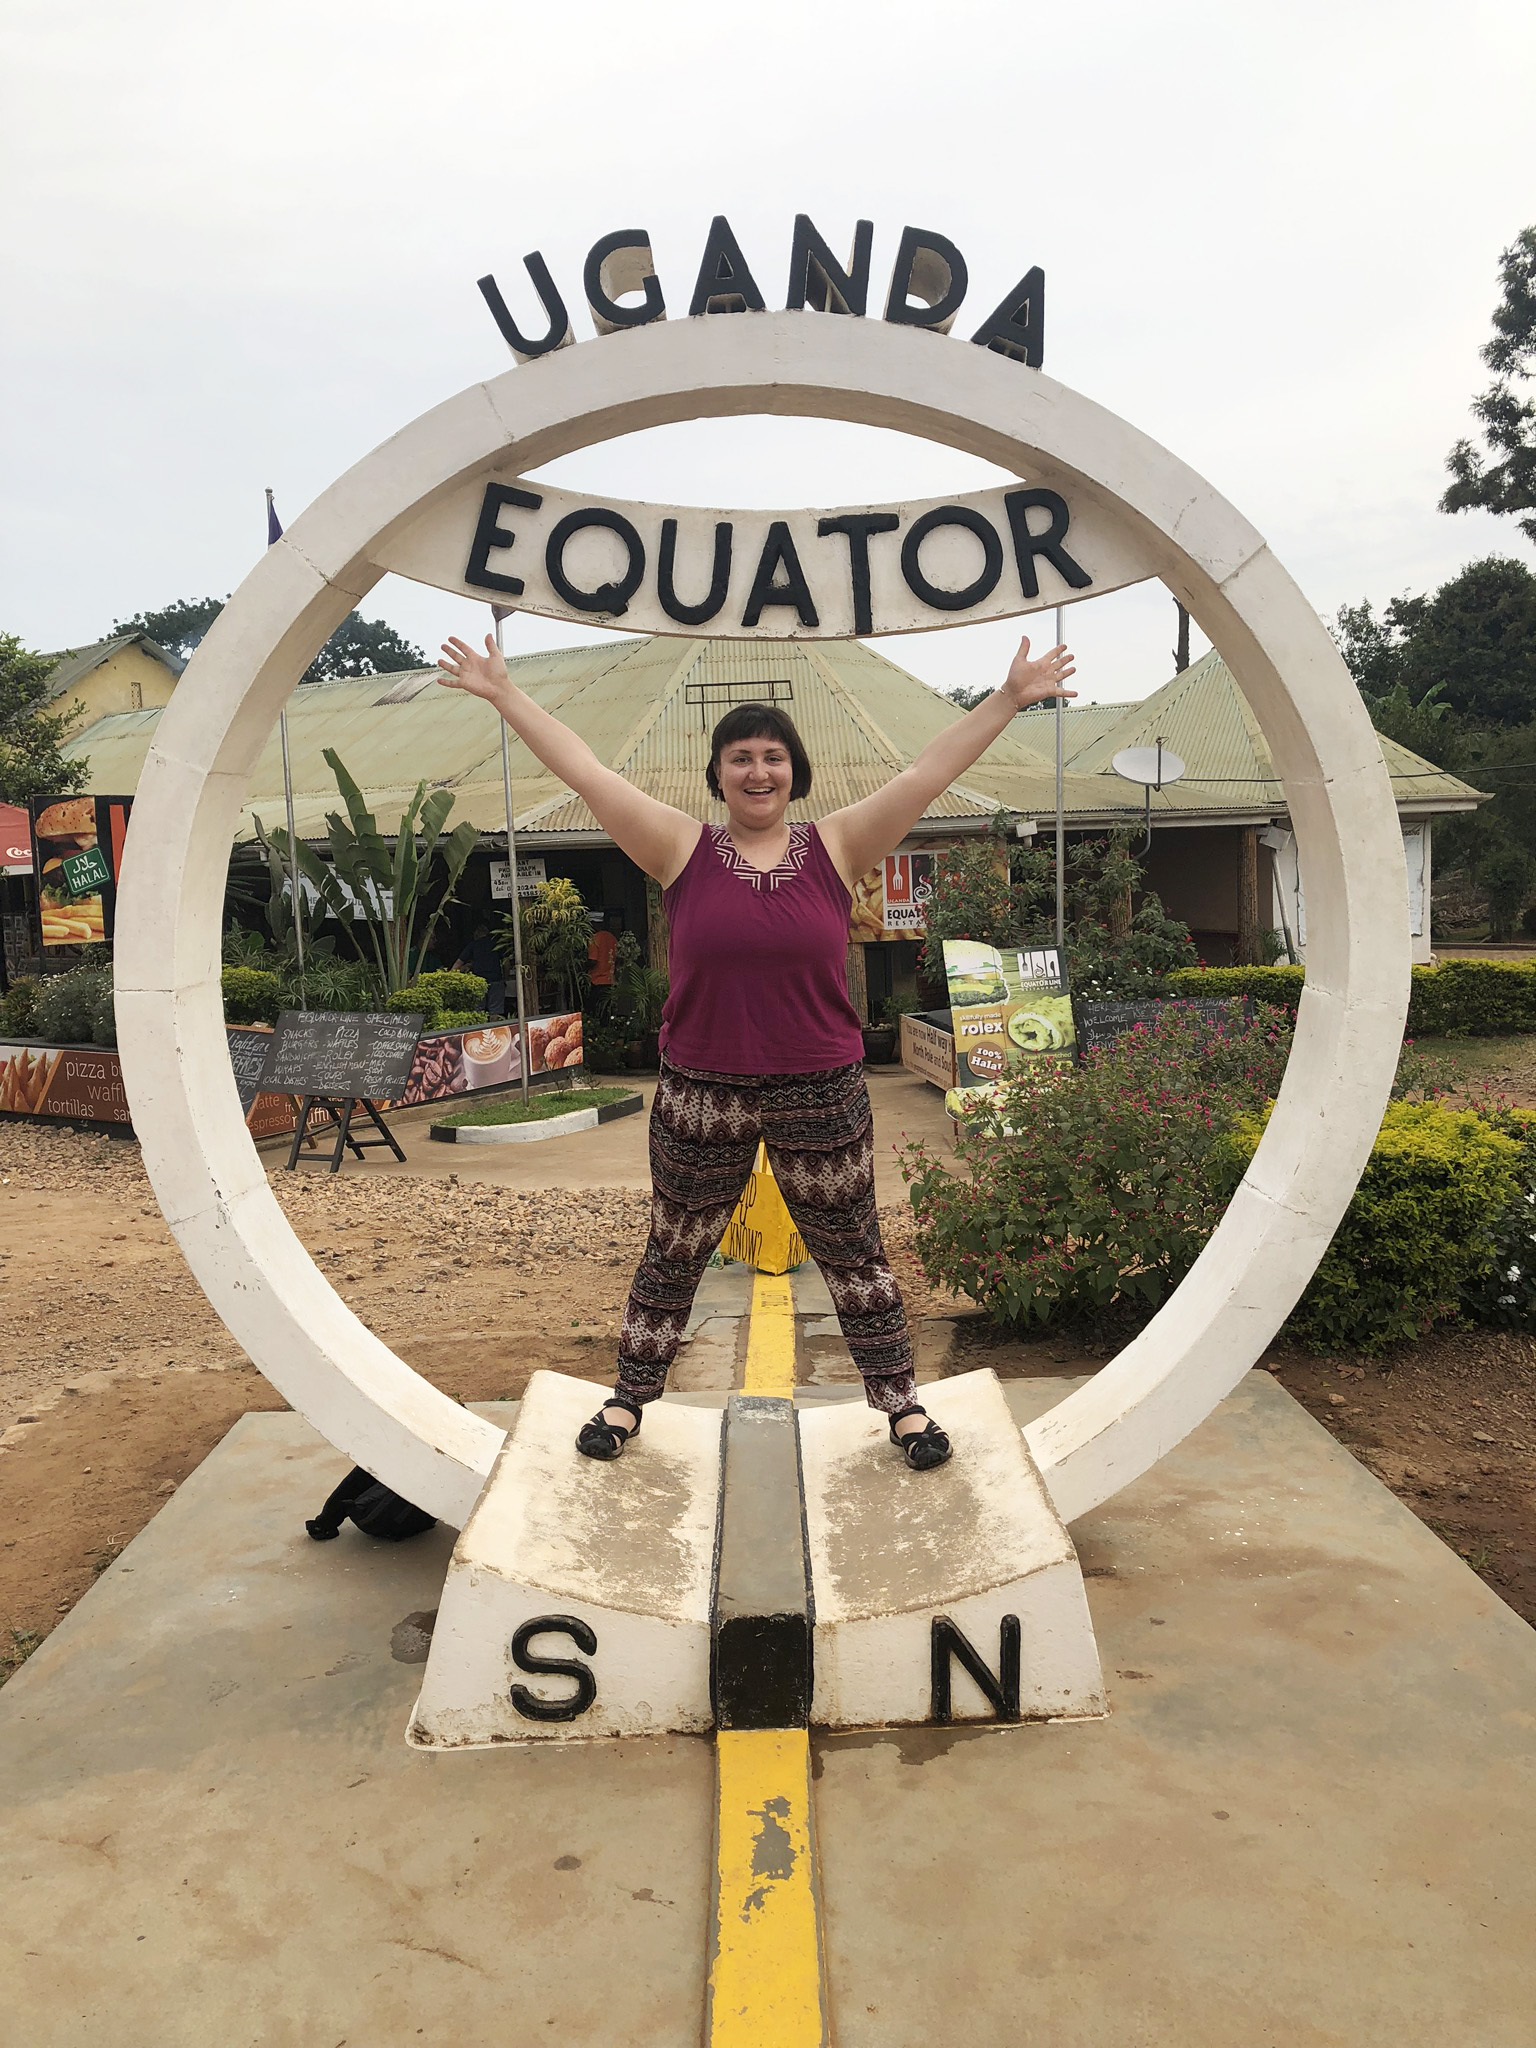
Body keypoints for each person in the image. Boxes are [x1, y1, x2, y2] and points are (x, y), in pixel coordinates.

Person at [436, 629, 1076, 1469]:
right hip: (704, 1091)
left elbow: (928, 774)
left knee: (855, 1252)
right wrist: (503, 694)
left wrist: (1008, 697)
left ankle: (902, 1405)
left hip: (823, 1089)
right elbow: (587, 772)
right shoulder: (679, 849)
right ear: (718, 774)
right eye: (740, 757)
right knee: (675, 1247)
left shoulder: (838, 846)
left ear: (794, 770)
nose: (758, 771)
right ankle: (630, 1398)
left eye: (773, 756)